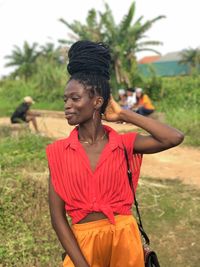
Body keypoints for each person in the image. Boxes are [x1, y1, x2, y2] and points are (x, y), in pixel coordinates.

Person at [46, 41, 184, 267]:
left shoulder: (124, 143)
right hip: (83, 244)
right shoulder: (58, 152)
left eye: (75, 98)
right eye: (65, 99)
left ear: (97, 102)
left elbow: (173, 137)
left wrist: (124, 114)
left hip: (125, 241)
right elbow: (57, 218)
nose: (67, 105)